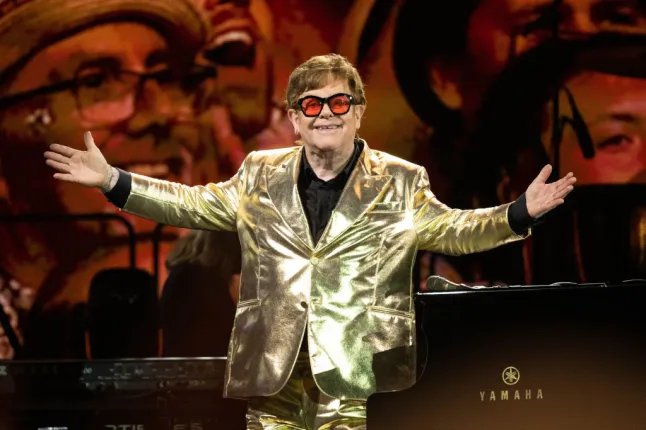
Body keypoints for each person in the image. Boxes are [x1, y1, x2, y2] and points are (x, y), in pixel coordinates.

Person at [44, 53, 576, 429]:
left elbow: (455, 231)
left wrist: (519, 212)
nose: (326, 114)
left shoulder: (400, 180)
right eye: (312, 104)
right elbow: (188, 203)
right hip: (274, 373)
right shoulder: (259, 173)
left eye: (339, 103)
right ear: (295, 119)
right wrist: (114, 180)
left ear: (358, 112)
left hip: (359, 373)